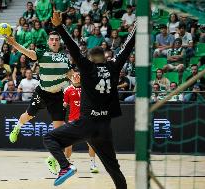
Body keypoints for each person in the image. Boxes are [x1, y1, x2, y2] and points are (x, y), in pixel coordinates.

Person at [42, 11, 136, 188]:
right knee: (114, 169)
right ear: (105, 57)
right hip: (104, 128)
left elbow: (73, 47)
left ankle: (65, 166)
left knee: (49, 138)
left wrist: (59, 26)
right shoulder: (113, 67)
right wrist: (139, 26)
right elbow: (127, 47)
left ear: (91, 59)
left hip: (86, 124)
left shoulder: (88, 68)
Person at [5, 30, 71, 143]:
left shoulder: (65, 58)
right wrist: (14, 44)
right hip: (42, 93)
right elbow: (27, 52)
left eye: (56, 39)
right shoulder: (42, 53)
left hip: (57, 96)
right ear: (48, 42)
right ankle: (17, 128)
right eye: (52, 39)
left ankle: (54, 157)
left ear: (59, 42)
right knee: (28, 116)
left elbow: (70, 75)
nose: (54, 41)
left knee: (59, 128)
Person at [61, 69, 99, 173]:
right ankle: (66, 165)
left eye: (78, 75)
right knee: (68, 144)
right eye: (74, 75)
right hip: (73, 121)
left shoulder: (87, 89)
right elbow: (64, 106)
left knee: (91, 144)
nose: (76, 77)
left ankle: (93, 164)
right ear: (71, 78)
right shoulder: (67, 90)